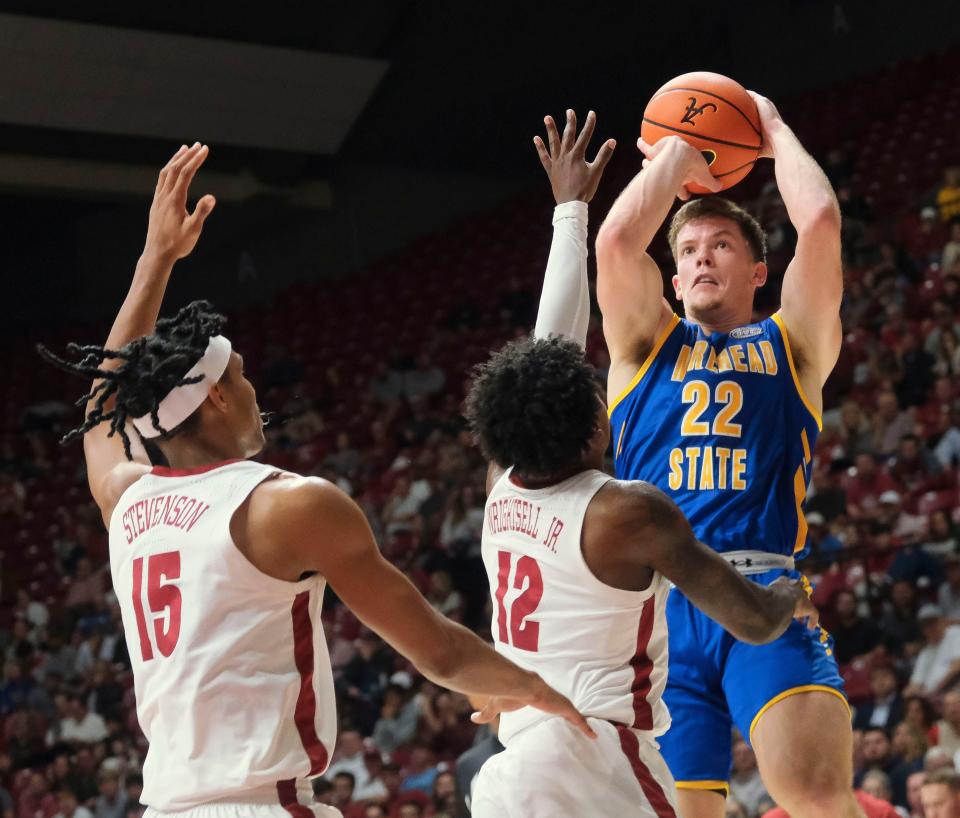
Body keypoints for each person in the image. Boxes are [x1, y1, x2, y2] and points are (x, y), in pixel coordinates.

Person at [37, 144, 592, 818]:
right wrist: (535, 689)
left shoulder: (125, 501)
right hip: (263, 805)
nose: (251, 390)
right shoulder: (287, 505)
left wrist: (155, 260)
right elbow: (440, 651)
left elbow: (102, 404)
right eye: (238, 375)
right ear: (214, 398)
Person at [464, 111, 817, 818]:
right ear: (593, 427)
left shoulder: (500, 488)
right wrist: (789, 598)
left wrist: (571, 212)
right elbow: (748, 618)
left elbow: (549, 345)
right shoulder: (626, 511)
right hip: (598, 764)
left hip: (509, 773)